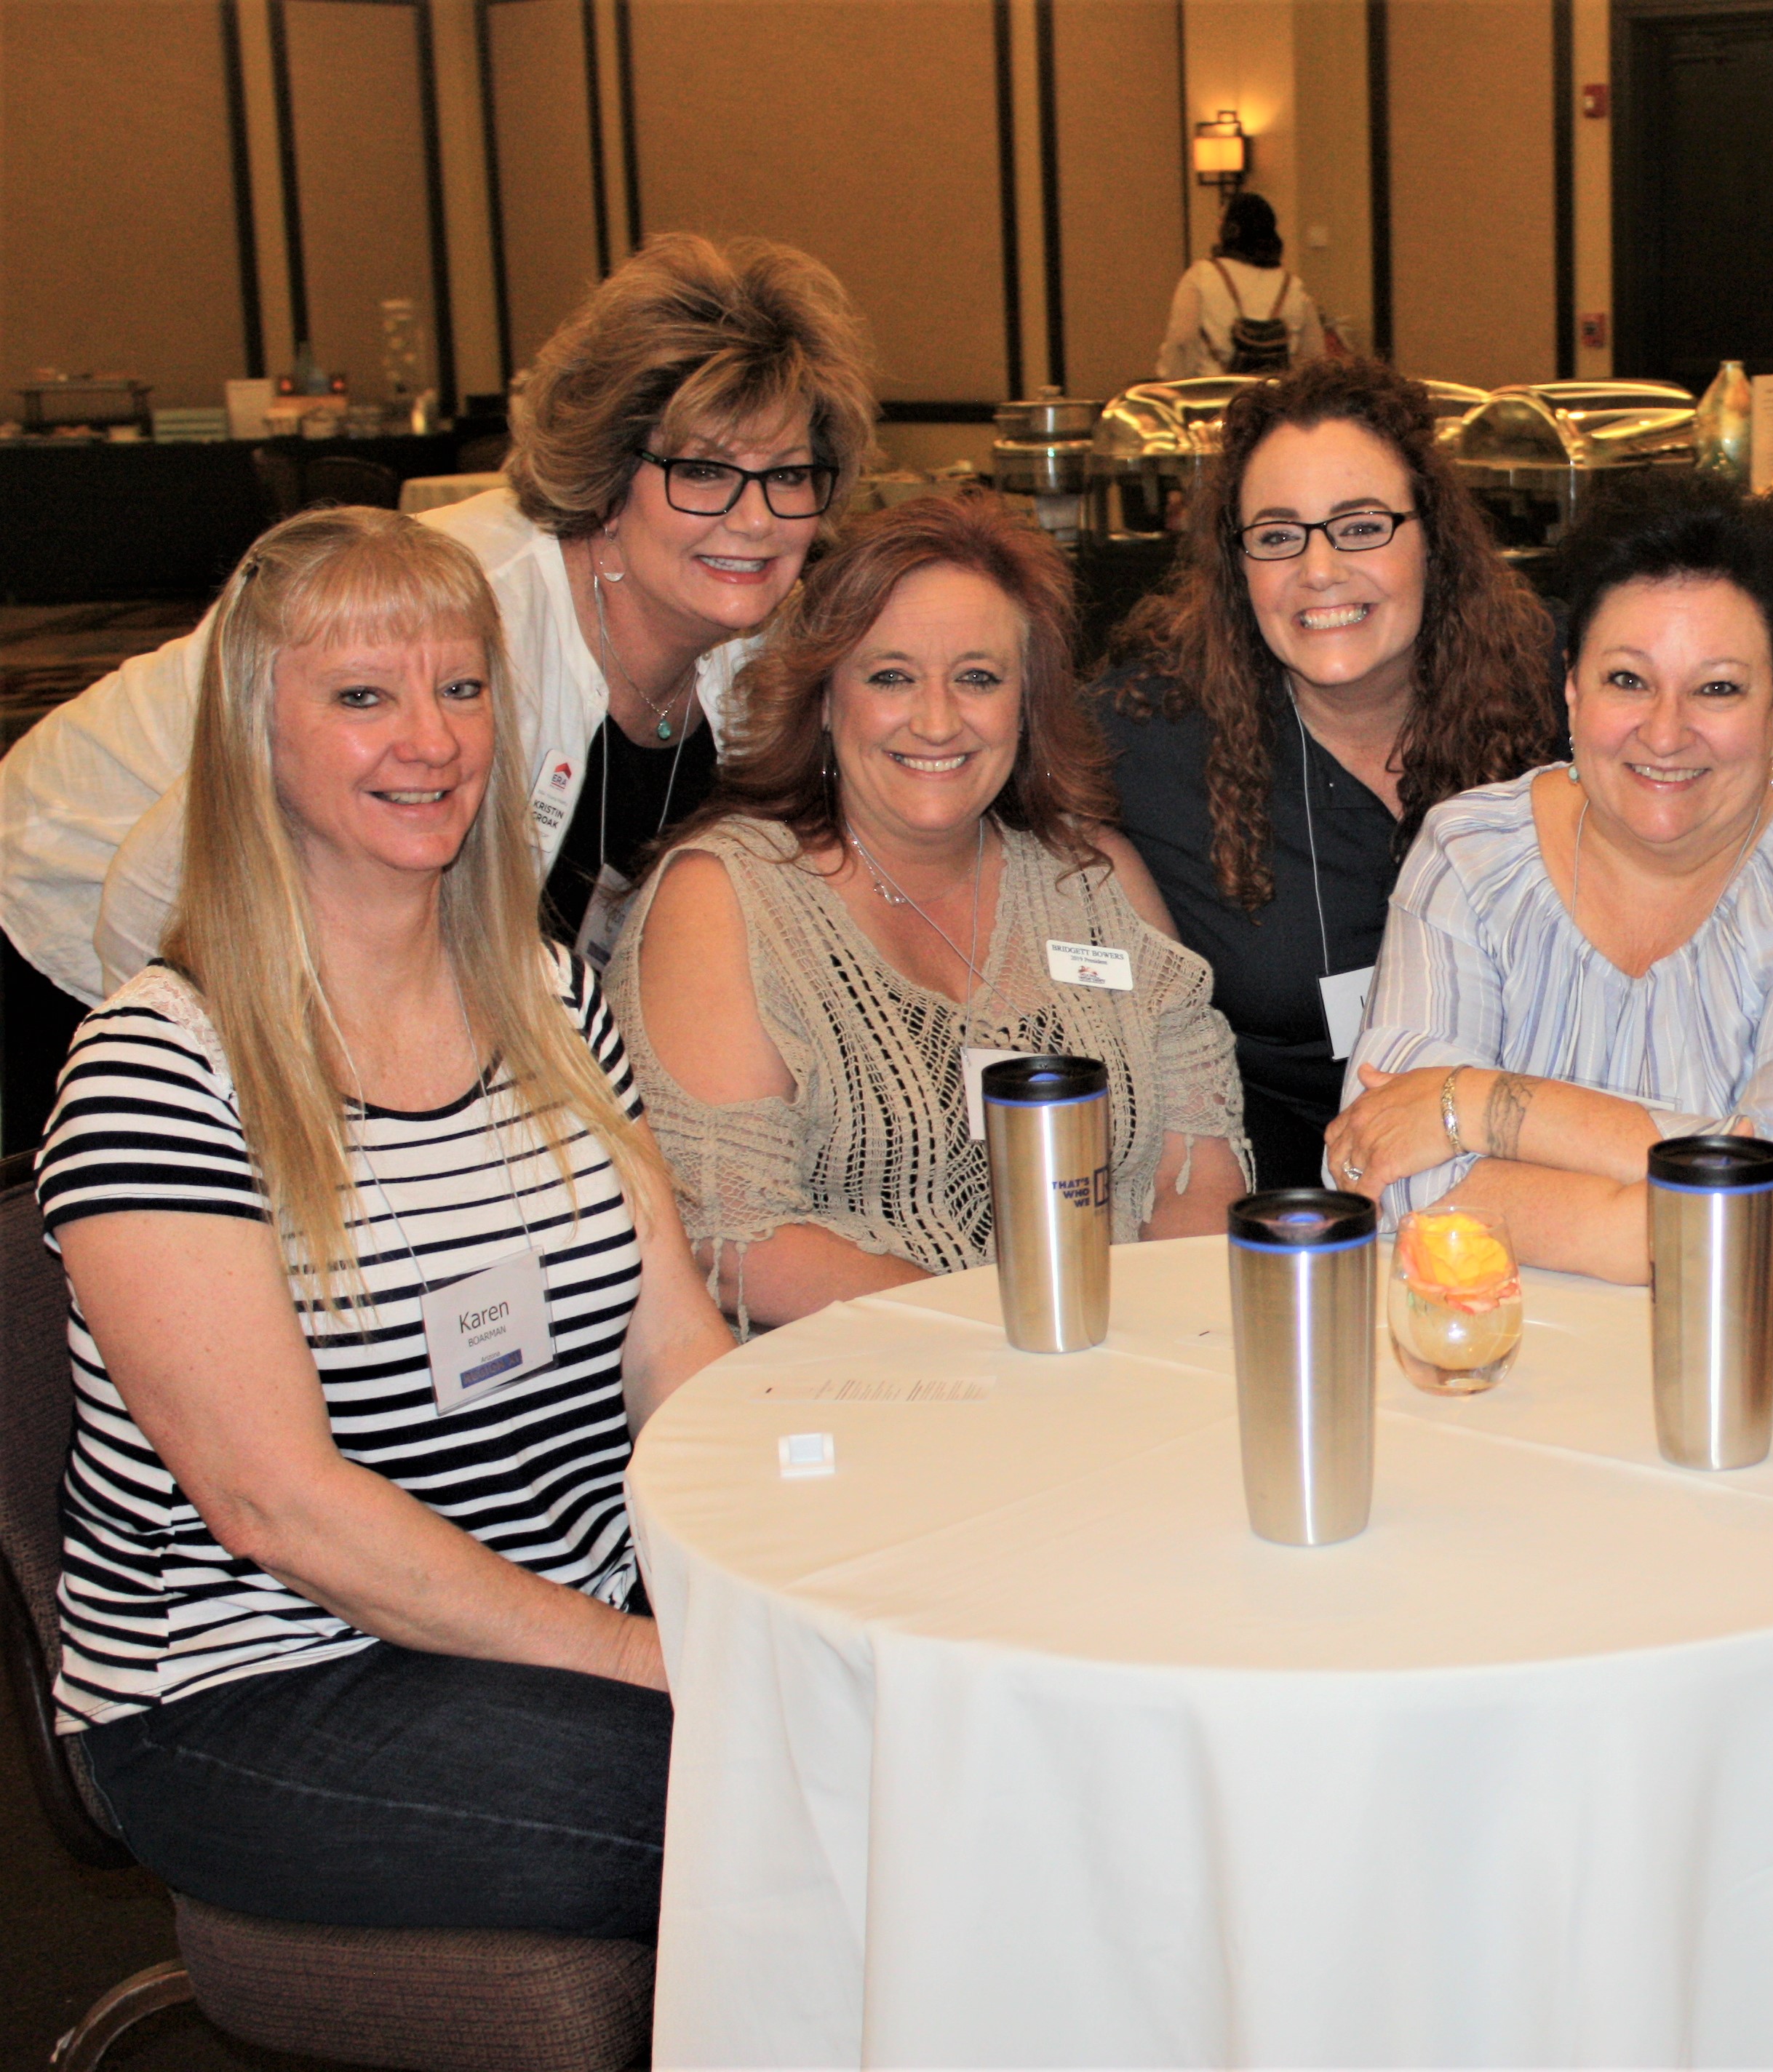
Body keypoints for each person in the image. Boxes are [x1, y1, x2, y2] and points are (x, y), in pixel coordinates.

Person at [37, 507, 731, 1937]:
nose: (431, 737)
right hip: (258, 1687)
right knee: (777, 1803)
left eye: (461, 686)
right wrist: (643, 1660)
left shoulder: (548, 997)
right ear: (255, 736)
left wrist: (796, 1563)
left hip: (561, 1624)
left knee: (888, 1725)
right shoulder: (162, 1062)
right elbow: (276, 1506)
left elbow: (675, 1352)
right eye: (363, 694)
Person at [0, 231, 880, 1152]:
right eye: (703, 471)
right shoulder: (461, 612)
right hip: (74, 944)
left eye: (789, 476)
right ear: (608, 477)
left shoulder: (759, 645)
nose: (755, 518)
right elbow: (156, 897)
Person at [609, 491, 1249, 1333]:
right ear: (823, 697)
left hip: (1119, 1358)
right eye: (892, 677)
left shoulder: (1094, 880)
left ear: (1028, 701)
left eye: (978, 678)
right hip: (854, 1386)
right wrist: (1010, 1337)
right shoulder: (725, 899)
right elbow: (736, 1237)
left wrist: (1155, 1346)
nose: (939, 720)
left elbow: (1197, 1168)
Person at [1324, 470, 1773, 1299]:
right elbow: (1375, 1164)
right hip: (1504, 1356)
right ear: (1572, 683)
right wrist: (1624, 1231)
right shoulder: (1470, 854)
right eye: (1627, 680)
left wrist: (1479, 1106)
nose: (1666, 733)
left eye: (1717, 688)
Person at [1093, 358, 1561, 1189]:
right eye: (1278, 537)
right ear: (1238, 565)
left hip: (1534, 1179)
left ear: (1433, 538)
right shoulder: (1149, 738)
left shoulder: (1555, 695)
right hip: (1276, 1212)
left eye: (1361, 525)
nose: (1319, 569)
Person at [1157, 193, 1325, 378]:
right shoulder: (1292, 287)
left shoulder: (1201, 277)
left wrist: (1172, 380)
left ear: (1230, 230)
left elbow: (1183, 339)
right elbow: (1315, 356)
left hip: (1215, 388)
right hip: (1275, 391)